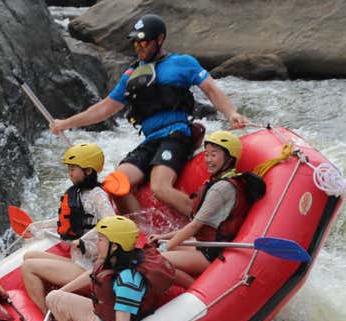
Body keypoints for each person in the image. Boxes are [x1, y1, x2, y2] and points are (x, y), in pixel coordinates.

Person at [49, 14, 249, 217]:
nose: (139, 46)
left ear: (159, 39)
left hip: (176, 134)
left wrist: (231, 113)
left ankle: (203, 221)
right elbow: (105, 108)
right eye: (135, 42)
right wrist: (66, 123)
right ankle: (141, 233)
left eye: (143, 41)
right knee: (116, 183)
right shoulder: (131, 75)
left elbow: (211, 89)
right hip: (152, 141)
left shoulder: (182, 63)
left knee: (159, 187)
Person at [150, 130, 265, 287]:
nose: (208, 160)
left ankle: (195, 288)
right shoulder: (222, 182)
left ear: (229, 159)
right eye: (206, 154)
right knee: (155, 248)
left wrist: (165, 247)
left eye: (214, 155)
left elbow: (195, 226)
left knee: (157, 261)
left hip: (210, 253)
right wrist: (163, 237)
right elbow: (198, 227)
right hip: (202, 244)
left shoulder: (222, 188)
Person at [45, 216, 174, 321]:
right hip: (98, 314)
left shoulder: (127, 280)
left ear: (114, 246)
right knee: (53, 297)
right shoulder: (113, 259)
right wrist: (63, 290)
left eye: (100, 240)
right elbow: (93, 274)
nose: (96, 243)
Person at [21, 143, 116, 314]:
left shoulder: (97, 195)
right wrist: (38, 225)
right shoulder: (78, 192)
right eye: (69, 168)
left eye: (73, 168)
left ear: (88, 170)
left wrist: (83, 240)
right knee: (28, 256)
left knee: (28, 267)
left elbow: (111, 222)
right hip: (78, 260)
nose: (69, 173)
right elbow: (69, 220)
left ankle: (46, 315)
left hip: (89, 267)